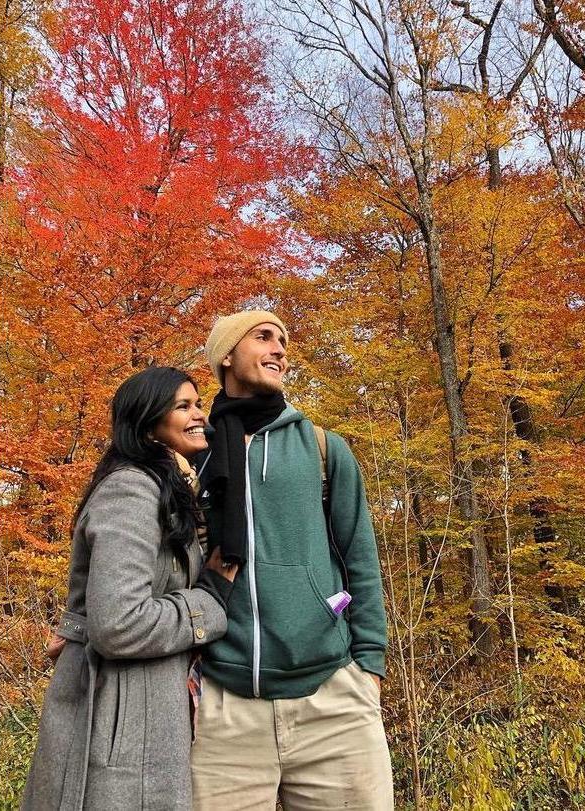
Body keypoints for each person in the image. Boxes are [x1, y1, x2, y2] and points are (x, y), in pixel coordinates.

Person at [191, 310, 394, 810]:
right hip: (223, 708)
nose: (280, 348)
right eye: (263, 337)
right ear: (226, 356)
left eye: (283, 340)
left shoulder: (324, 449)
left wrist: (369, 666)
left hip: (332, 699)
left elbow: (360, 559)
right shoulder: (192, 453)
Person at [22, 366, 238, 811]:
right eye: (183, 406)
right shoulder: (132, 489)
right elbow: (119, 624)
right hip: (117, 717)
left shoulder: (165, 486)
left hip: (140, 709)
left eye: (198, 404)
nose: (200, 415)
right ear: (147, 421)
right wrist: (211, 600)